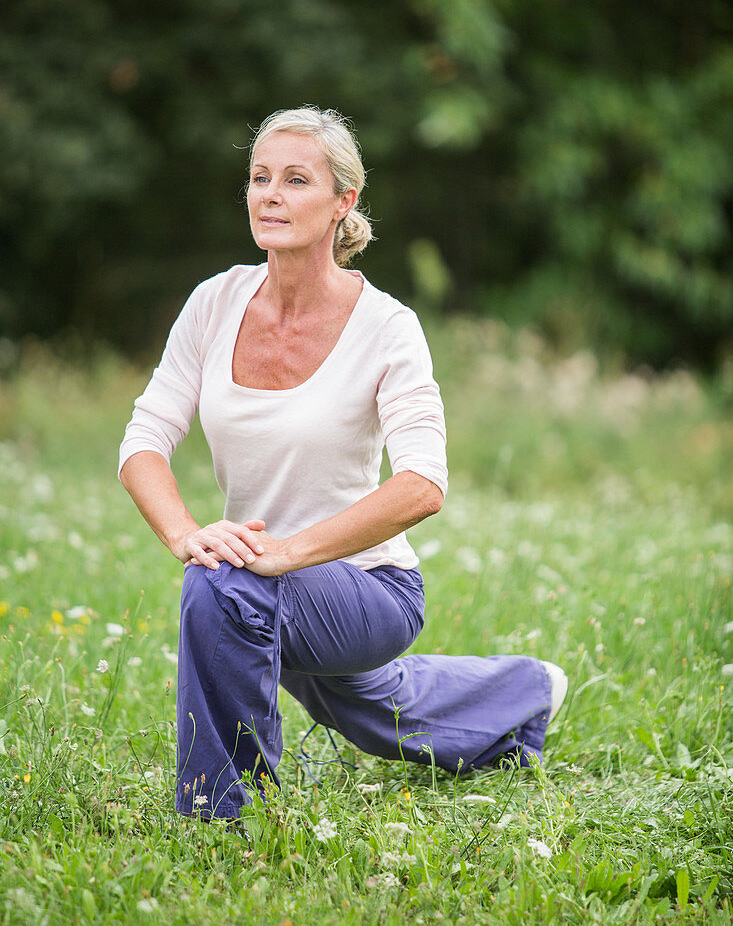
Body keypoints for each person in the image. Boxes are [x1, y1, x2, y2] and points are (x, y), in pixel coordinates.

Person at [119, 106, 567, 820]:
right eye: (259, 177)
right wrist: (182, 533)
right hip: (261, 585)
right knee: (374, 709)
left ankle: (222, 813)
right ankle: (521, 697)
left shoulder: (388, 327)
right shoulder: (214, 302)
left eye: (296, 179)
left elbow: (421, 485)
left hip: (368, 586)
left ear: (342, 203)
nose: (270, 193)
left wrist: (285, 554)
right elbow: (144, 438)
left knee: (222, 589)